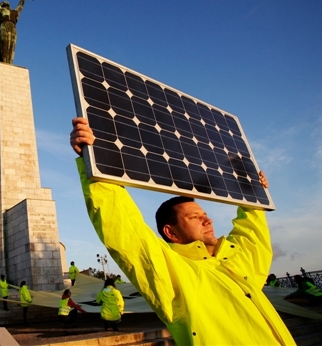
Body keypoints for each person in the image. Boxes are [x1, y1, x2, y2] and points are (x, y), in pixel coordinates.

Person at [70, 117, 296, 345]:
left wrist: (253, 195)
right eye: (194, 217)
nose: (207, 220)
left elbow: (252, 233)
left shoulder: (238, 265)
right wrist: (97, 162)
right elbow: (125, 232)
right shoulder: (174, 276)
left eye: (205, 214)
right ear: (171, 233)